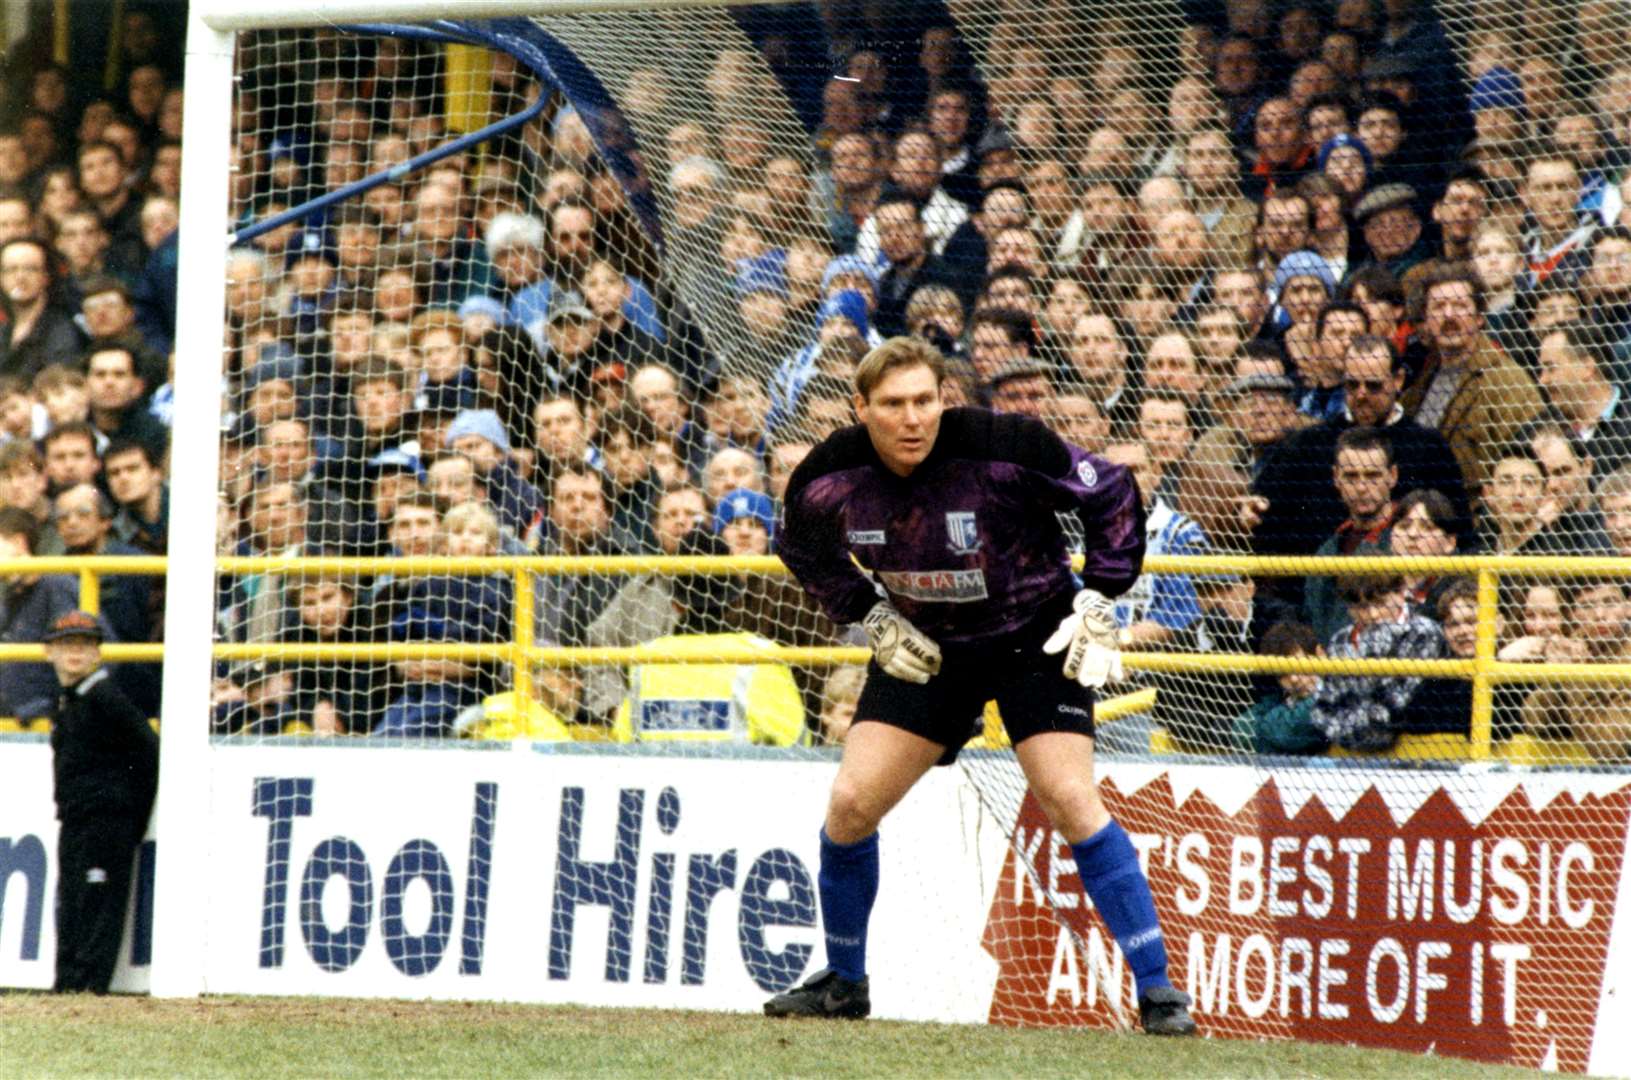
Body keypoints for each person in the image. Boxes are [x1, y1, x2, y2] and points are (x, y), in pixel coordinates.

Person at [765, 336, 1194, 1035]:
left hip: (1034, 637)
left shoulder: (1005, 445)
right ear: (860, 409)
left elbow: (1111, 489)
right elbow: (803, 549)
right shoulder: (826, 477)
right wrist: (868, 613)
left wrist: (1100, 595)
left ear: (945, 399)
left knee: (1068, 797)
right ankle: (844, 983)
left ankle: (1158, 992)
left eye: (925, 401)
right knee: (848, 805)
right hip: (928, 651)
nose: (912, 419)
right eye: (894, 405)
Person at [46, 610, 158, 994]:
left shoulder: (105, 697)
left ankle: (88, 986)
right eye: (66, 644)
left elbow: (147, 748)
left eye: (84, 644)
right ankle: (69, 984)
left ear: (97, 653)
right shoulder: (70, 700)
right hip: (77, 816)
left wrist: (129, 813)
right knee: (75, 899)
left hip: (104, 818)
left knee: (95, 902)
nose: (75, 652)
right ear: (50, 653)